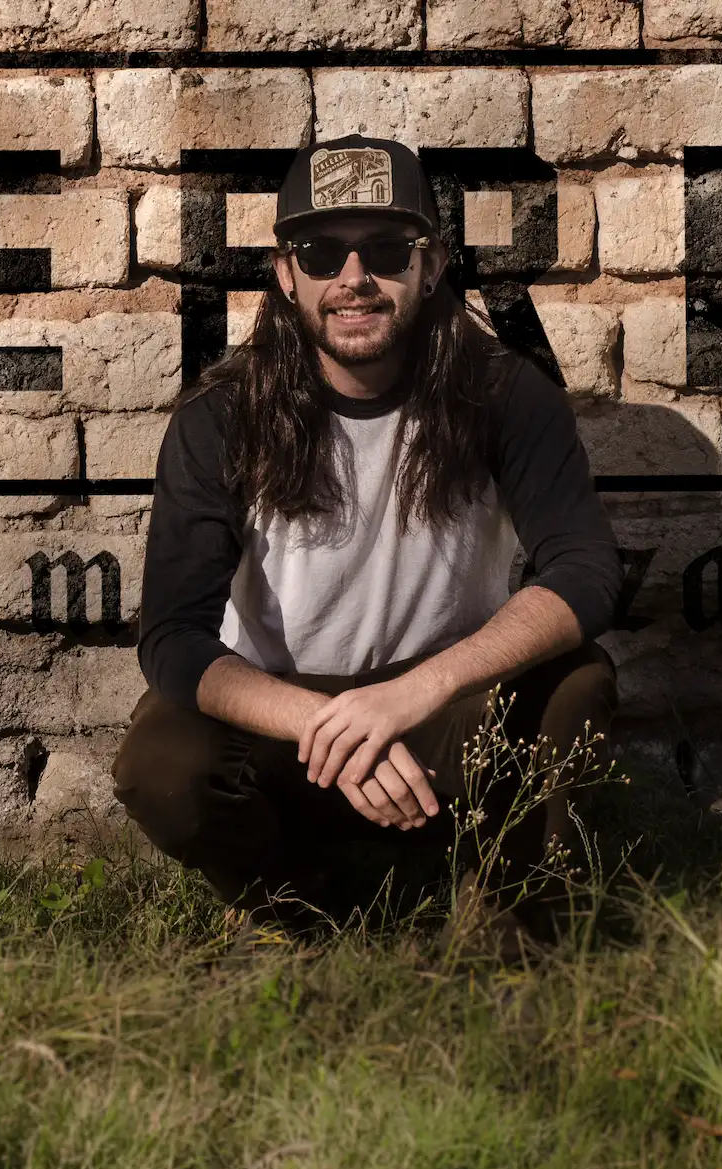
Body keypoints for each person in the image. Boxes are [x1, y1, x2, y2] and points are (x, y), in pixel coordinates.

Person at [112, 134, 625, 962]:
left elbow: (587, 571)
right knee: (162, 765)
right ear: (286, 274)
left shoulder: (503, 393)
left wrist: (413, 695)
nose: (354, 278)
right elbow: (172, 638)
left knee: (577, 684)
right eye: (322, 251)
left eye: (386, 249)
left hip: (443, 714)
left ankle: (509, 911)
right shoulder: (221, 416)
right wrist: (329, 724)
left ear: (431, 266)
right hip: (284, 720)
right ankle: (301, 908)